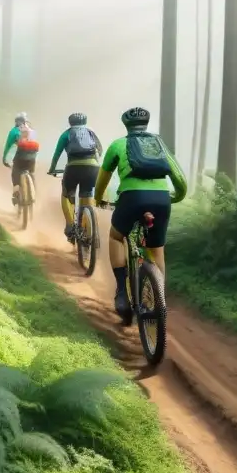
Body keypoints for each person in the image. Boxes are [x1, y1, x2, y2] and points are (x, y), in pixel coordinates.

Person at [94, 106, 187, 322]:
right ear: (146, 124)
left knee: (116, 236)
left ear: (126, 125)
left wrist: (99, 198)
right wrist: (173, 198)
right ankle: (159, 299)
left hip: (131, 198)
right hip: (161, 200)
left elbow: (103, 178)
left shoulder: (118, 144)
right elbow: (180, 180)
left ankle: (121, 294)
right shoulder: (158, 144)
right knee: (156, 250)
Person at [47, 112, 103, 243]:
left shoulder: (66, 134)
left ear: (70, 122)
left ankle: (70, 226)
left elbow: (57, 154)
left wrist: (52, 169)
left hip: (73, 168)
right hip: (93, 168)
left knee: (67, 194)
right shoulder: (91, 133)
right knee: (87, 195)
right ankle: (92, 230)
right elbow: (100, 150)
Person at [2, 112, 40, 206]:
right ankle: (34, 193)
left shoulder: (14, 131)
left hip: (19, 158)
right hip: (31, 158)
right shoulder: (32, 131)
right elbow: (35, 146)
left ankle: (16, 194)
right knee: (31, 173)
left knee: (15, 173)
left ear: (16, 122)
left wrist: (5, 159)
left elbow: (8, 146)